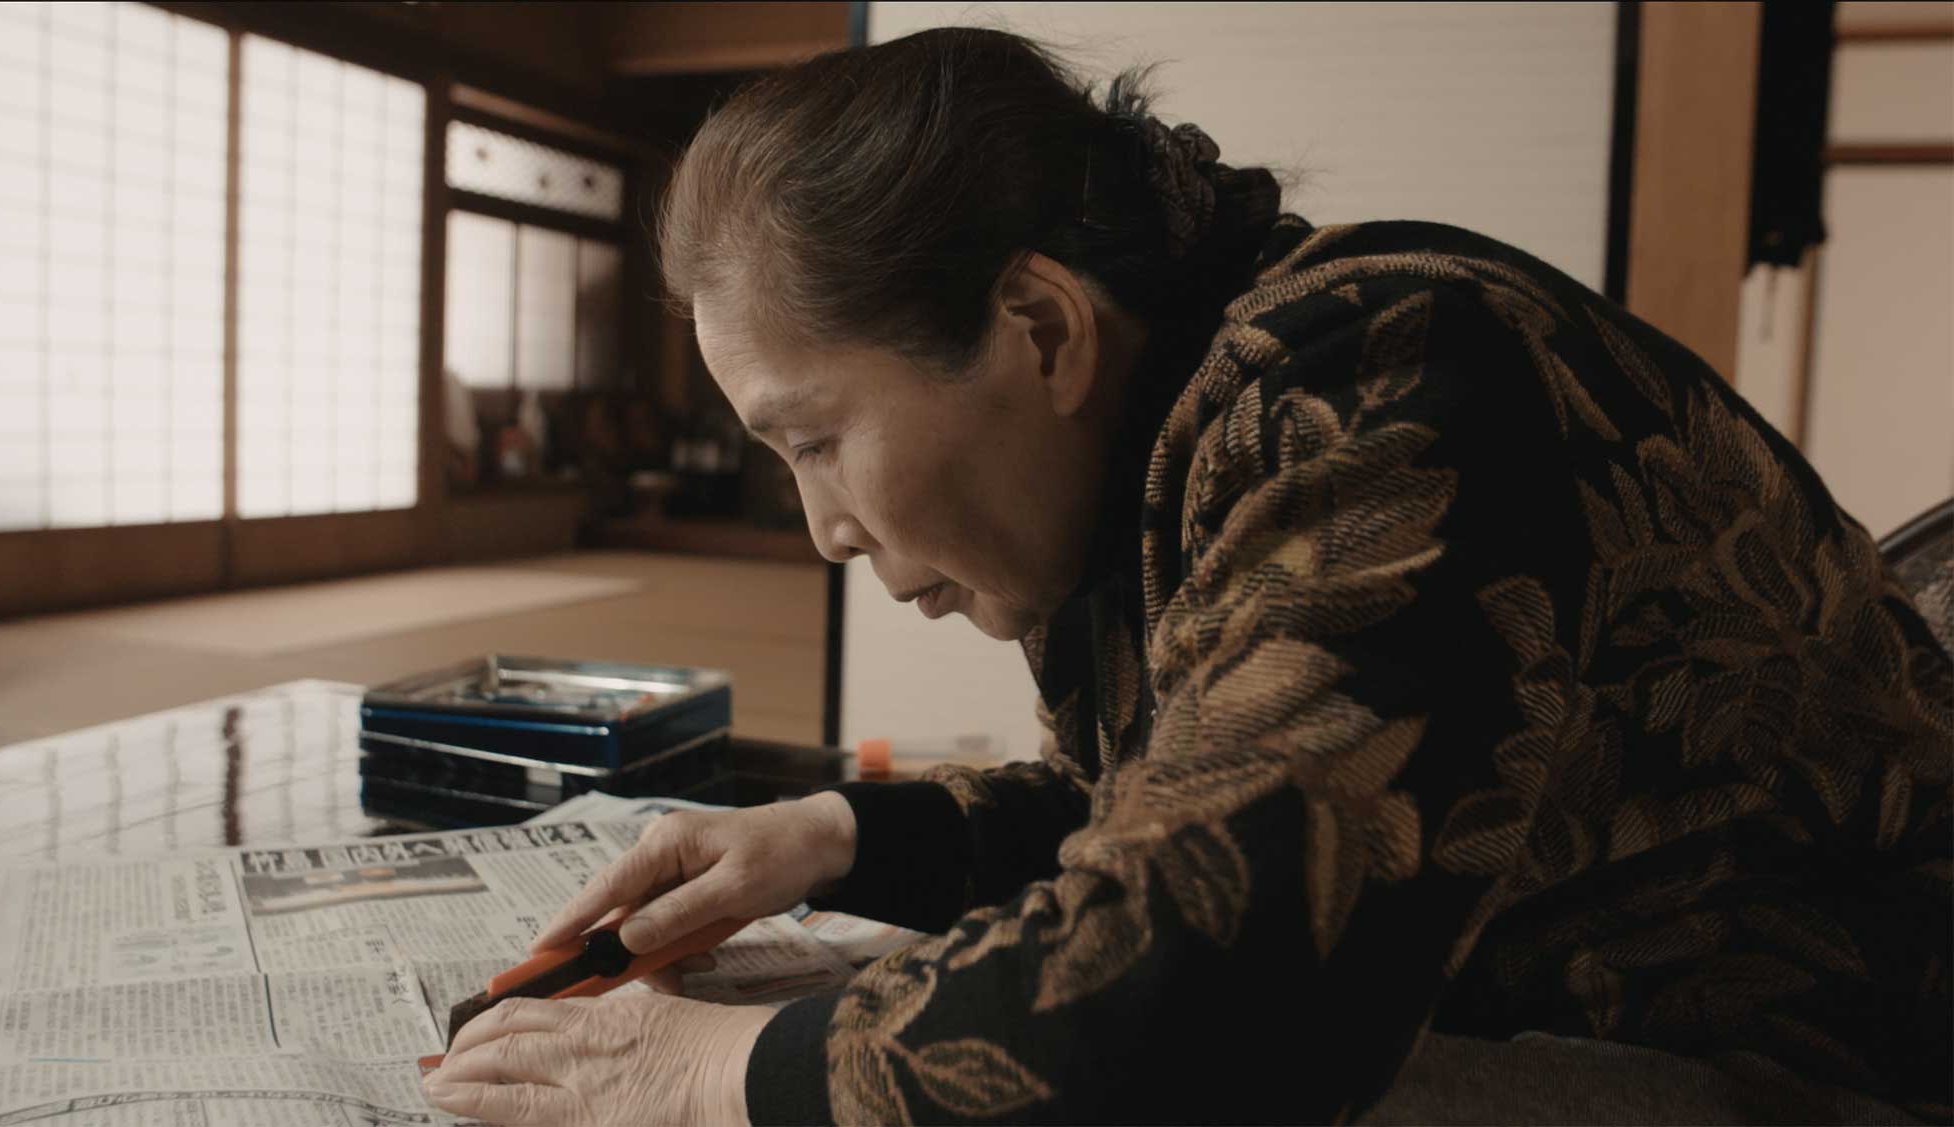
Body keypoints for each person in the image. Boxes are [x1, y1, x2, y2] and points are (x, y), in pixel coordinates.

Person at [423, 27, 1952, 1126]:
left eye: (814, 440)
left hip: (1812, 1069)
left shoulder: (1387, 380)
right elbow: (1180, 812)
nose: (821, 527)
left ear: (1040, 329)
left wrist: (711, 1078)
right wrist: (836, 837)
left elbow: (1216, 977)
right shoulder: (1179, 434)